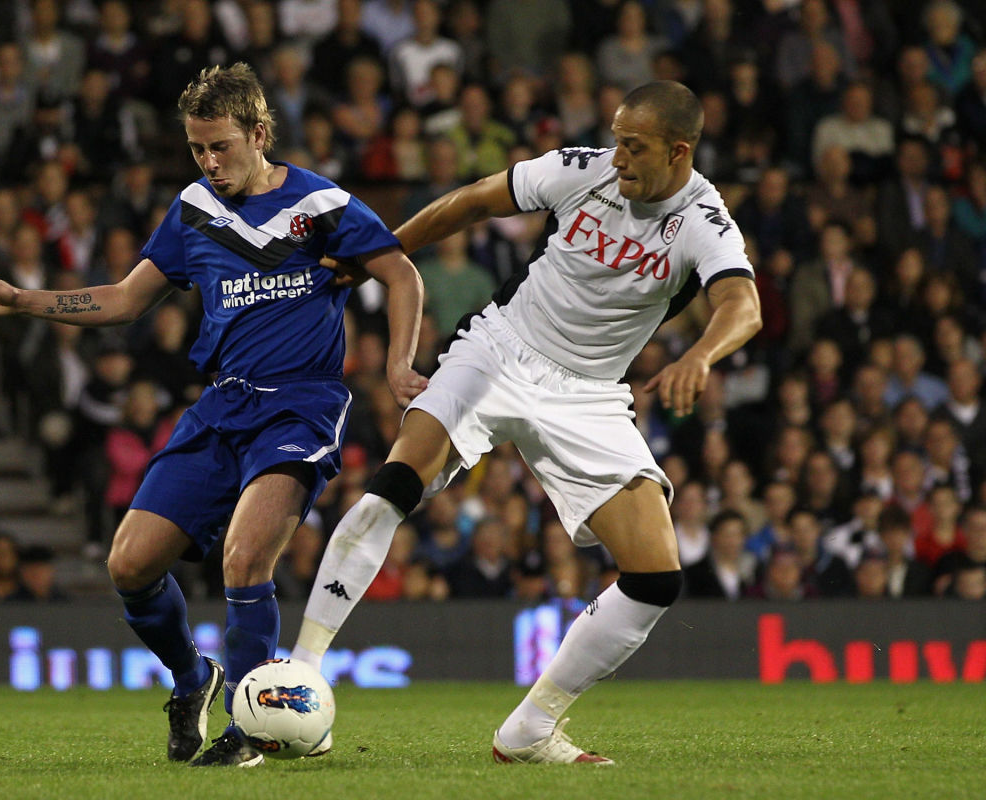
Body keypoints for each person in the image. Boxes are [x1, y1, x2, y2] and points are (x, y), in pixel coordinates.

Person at [0, 63, 425, 767]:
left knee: (243, 556)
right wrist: (23, 299)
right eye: (198, 148)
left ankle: (248, 730)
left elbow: (402, 273)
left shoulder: (322, 205)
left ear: (259, 134)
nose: (209, 161)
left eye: (220, 146)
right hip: (223, 403)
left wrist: (395, 363)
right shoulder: (194, 208)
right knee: (130, 564)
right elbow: (121, 300)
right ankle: (194, 678)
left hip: (302, 401)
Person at [291, 80, 761, 764]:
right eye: (616, 138)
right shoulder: (583, 170)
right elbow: (473, 201)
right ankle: (302, 672)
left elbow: (742, 305)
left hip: (590, 395)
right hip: (503, 348)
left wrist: (700, 354)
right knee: (396, 481)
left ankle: (531, 728)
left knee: (655, 575)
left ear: (679, 151)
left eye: (635, 147)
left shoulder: (702, 219)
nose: (618, 157)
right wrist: (377, 258)